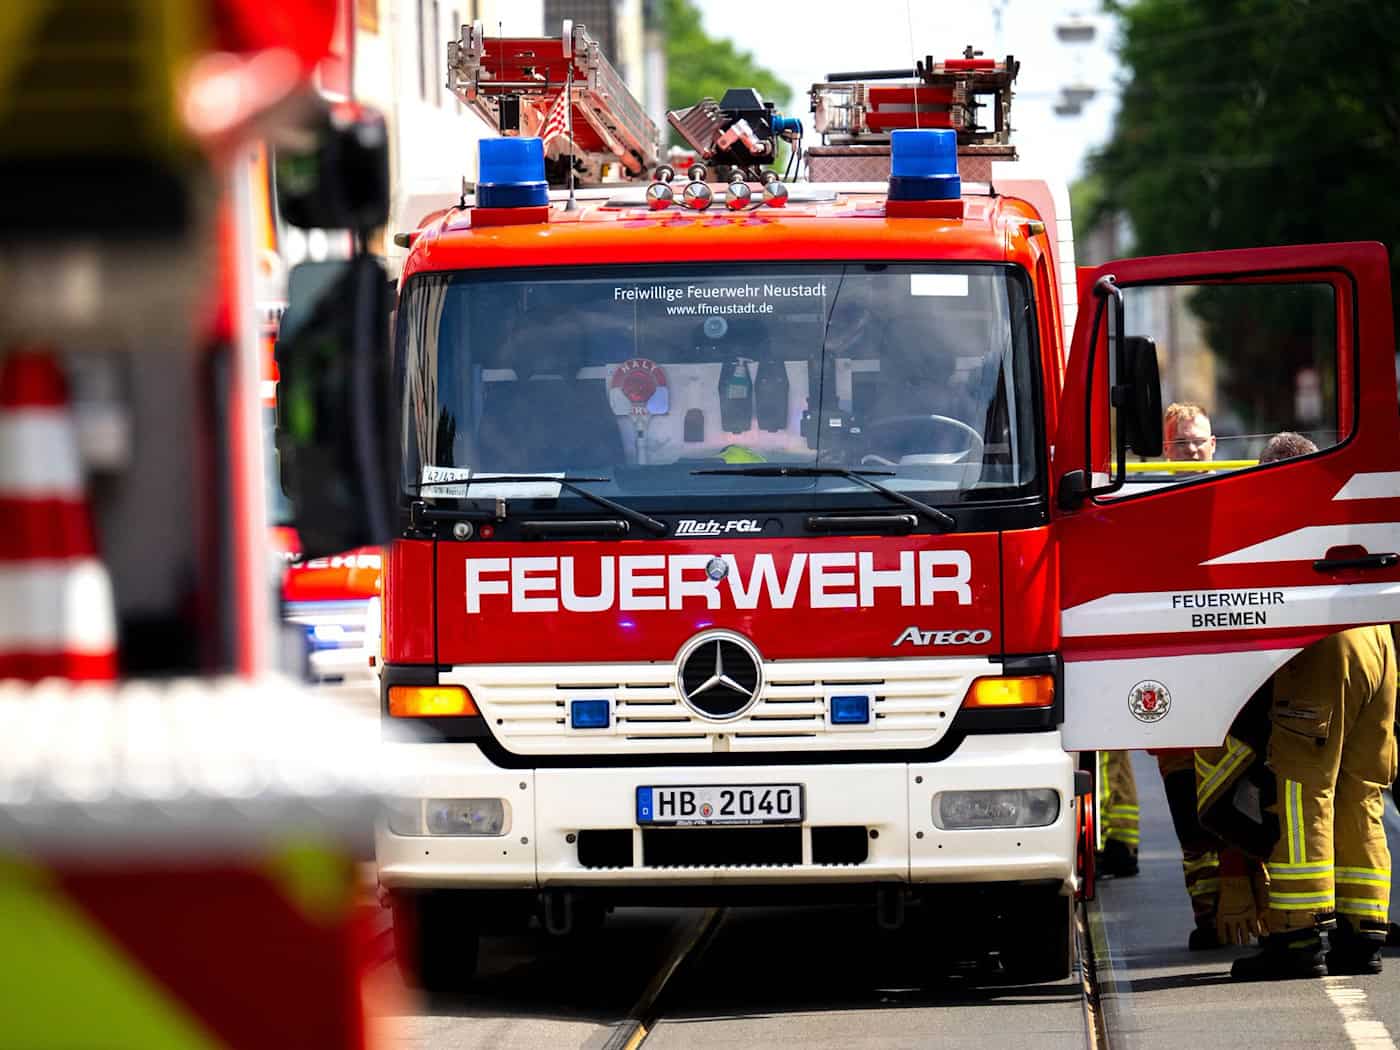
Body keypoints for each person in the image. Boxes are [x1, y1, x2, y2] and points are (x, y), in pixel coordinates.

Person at [1230, 433, 1398, 979]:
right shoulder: (1347, 500)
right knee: (1362, 791)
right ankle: (1364, 930)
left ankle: (1300, 935)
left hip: (1320, 646)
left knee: (1305, 790)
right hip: (1377, 643)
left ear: (1277, 470)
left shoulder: (1283, 508)